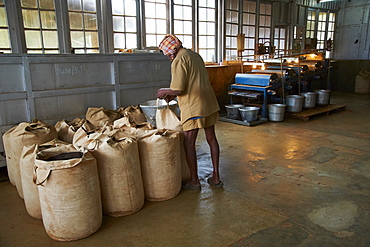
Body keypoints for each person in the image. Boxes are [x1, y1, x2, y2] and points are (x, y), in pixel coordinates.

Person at [157, 34, 223, 190]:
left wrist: (163, 91)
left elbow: (179, 88)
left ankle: (194, 180)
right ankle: (216, 177)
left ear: (171, 50)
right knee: (212, 139)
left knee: (188, 143)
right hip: (209, 102)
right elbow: (193, 80)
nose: (168, 57)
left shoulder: (179, 60)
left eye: (167, 54)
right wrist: (173, 93)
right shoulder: (194, 55)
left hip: (194, 107)